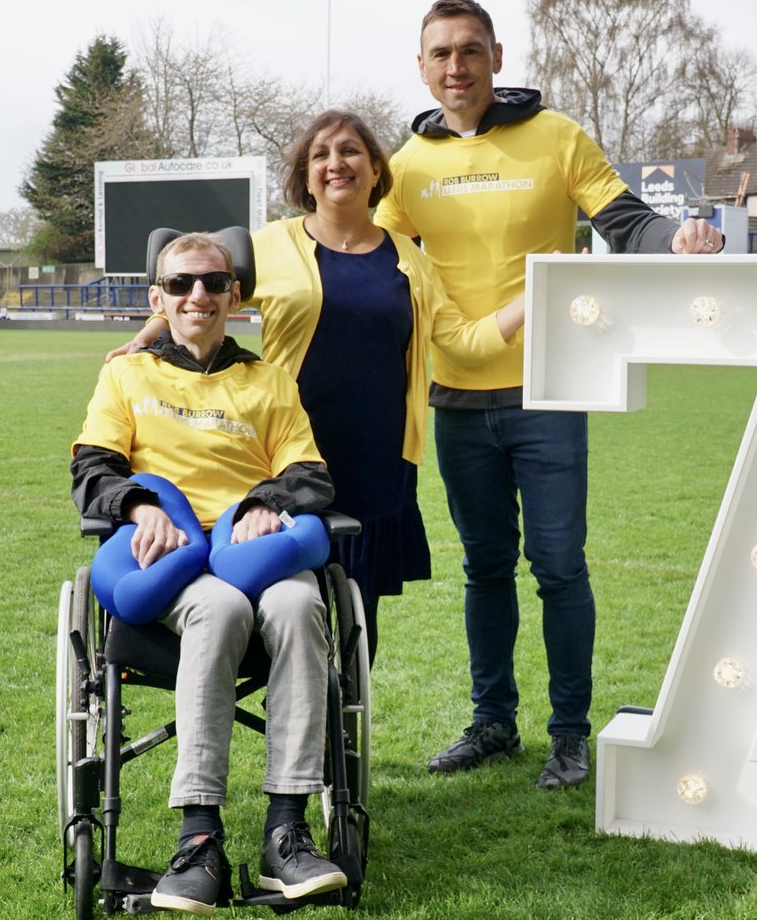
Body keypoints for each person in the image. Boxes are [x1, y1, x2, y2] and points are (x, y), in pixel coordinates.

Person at [373, 0, 725, 790]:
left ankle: (570, 735)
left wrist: (681, 237)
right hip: (456, 397)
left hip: (551, 390)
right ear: (422, 66)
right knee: (486, 567)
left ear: (497, 57)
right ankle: (492, 722)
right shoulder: (406, 166)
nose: (456, 67)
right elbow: (364, 253)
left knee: (560, 566)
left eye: (470, 51)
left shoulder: (557, 137)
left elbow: (626, 221)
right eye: (440, 54)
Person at [111, 110, 524, 662]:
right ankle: (288, 721)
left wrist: (530, 300)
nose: (337, 164)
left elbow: (462, 342)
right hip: (286, 457)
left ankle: (341, 743)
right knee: (284, 595)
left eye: (351, 151)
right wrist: (145, 335)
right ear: (304, 177)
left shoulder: (410, 260)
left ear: (376, 170)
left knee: (357, 606)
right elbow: (197, 288)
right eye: (320, 155)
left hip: (377, 459)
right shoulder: (271, 246)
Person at [71, 231, 347, 916]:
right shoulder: (126, 376)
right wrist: (137, 507)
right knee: (218, 608)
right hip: (172, 560)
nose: (200, 296)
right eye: (183, 284)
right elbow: (92, 469)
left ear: (235, 295)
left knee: (299, 606)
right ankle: (199, 839)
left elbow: (308, 473)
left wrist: (265, 502)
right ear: (157, 298)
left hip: (255, 546)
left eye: (215, 284)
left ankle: (288, 832)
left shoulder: (268, 380)